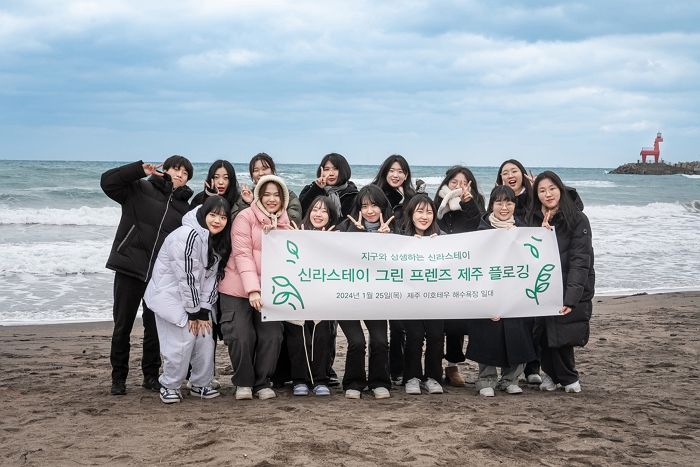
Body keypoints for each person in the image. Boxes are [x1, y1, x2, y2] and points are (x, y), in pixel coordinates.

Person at [100, 156, 194, 396]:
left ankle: (150, 376)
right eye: (176, 169)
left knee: (154, 328)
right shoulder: (139, 188)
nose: (180, 174)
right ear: (165, 169)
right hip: (130, 268)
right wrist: (137, 170)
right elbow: (108, 182)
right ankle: (118, 378)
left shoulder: (184, 208)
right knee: (123, 325)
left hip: (159, 275)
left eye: (185, 173)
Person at [143, 196, 232, 403]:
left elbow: (211, 280)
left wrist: (203, 310)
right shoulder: (187, 234)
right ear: (203, 214)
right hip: (170, 297)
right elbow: (187, 276)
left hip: (193, 300)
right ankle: (169, 385)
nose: (217, 221)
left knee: (205, 337)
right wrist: (193, 312)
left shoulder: (215, 240)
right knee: (181, 342)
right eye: (213, 215)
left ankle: (200, 383)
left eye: (223, 217)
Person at [218, 175, 291, 400]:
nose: (271, 199)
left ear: (283, 198)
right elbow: (242, 254)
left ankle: (261, 382)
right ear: (258, 196)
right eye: (266, 194)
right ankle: (243, 383)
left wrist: (277, 233)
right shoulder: (244, 217)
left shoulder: (285, 223)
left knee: (272, 336)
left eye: (276, 195)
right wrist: (253, 290)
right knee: (241, 335)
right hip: (237, 289)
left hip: (270, 290)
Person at [526, 171, 595, 394]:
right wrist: (541, 232)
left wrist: (572, 297)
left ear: (561, 189)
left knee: (562, 333)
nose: (548, 194)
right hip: (542, 284)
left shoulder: (577, 218)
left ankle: (568, 377)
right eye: (542, 190)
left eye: (552, 189)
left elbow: (580, 260)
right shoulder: (534, 218)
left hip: (569, 284)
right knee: (542, 332)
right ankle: (551, 374)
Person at [467, 186, 536, 396]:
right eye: (499, 203)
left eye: (509, 202)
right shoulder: (481, 231)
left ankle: (510, 379)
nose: (504, 207)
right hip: (487, 291)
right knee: (487, 335)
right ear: (491, 205)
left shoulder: (524, 231)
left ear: (515, 205)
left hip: (515, 294)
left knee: (518, 336)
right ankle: (486, 380)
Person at [336, 185, 394, 399]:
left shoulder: (394, 229)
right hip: (347, 296)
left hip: (376, 297)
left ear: (382, 207)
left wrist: (388, 240)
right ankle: (353, 382)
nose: (370, 211)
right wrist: (357, 234)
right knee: (357, 341)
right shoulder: (345, 227)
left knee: (380, 340)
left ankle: (379, 381)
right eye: (365, 206)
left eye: (374, 205)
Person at [432, 165, 485, 387]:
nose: (458, 186)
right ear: (447, 183)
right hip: (436, 270)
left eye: (463, 182)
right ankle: (433, 366)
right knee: (434, 322)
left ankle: (452, 366)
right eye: (454, 182)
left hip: (461, 270)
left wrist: (468, 203)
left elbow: (480, 225)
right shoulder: (437, 202)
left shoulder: (475, 203)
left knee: (455, 324)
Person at [285, 196, 338, 396]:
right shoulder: (295, 232)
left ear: (331, 215)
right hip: (296, 295)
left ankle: (320, 379)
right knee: (298, 336)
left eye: (324, 211)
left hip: (324, 296)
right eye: (315, 209)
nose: (318, 214)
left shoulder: (337, 235)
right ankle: (299, 379)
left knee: (322, 335)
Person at [371, 154, 417, 385]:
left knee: (400, 325)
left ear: (406, 175)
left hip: (403, 268)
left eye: (401, 171)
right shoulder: (373, 195)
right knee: (379, 327)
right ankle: (380, 371)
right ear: (384, 171)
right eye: (392, 170)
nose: (396, 175)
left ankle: (398, 370)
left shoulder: (412, 198)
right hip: (377, 269)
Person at [399, 194, 445, 395]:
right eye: (419, 211)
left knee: (436, 336)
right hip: (409, 298)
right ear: (411, 213)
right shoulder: (400, 237)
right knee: (414, 337)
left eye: (429, 212)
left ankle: (433, 377)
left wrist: (439, 247)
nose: (424, 216)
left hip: (436, 299)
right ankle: (412, 377)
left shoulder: (441, 237)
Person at [238, 153, 303, 226]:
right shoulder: (247, 195)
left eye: (264, 169)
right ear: (252, 175)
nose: (261, 173)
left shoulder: (288, 195)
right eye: (256, 170)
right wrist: (248, 202)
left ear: (272, 170)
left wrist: (271, 224)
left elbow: (294, 219)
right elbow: (238, 221)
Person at [299, 152, 358, 219]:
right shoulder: (310, 189)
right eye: (326, 169)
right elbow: (301, 212)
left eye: (336, 169)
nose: (331, 173)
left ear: (344, 170)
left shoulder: (352, 194)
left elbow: (350, 219)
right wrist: (317, 188)